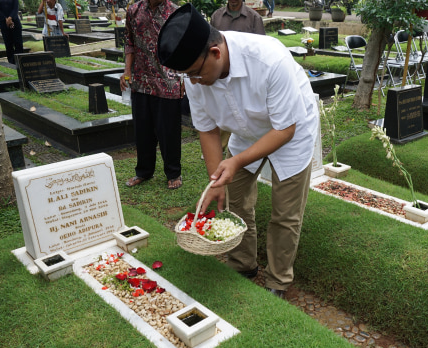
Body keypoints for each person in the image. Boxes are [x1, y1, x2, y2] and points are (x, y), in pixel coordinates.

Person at [157, 4, 319, 299]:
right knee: (234, 201)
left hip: (291, 129)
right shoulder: (195, 72)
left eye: (195, 73)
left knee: (286, 213)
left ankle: (278, 281)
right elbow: (207, 129)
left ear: (216, 53)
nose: (193, 81)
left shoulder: (269, 59)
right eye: (187, 76)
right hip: (246, 132)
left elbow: (285, 130)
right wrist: (217, 177)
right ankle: (243, 264)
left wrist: (236, 161)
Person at [121, 0, 183, 190]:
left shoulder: (175, 12)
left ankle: (173, 173)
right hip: (141, 81)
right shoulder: (134, 10)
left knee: (168, 132)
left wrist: (183, 78)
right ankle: (143, 171)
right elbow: (129, 42)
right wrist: (127, 71)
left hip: (168, 82)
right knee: (143, 130)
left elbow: (182, 46)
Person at [210, 0, 265, 151]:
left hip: (245, 73)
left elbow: (261, 46)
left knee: (242, 109)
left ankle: (243, 143)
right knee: (222, 108)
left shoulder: (253, 18)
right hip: (222, 72)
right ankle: (220, 146)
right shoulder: (217, 16)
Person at [0, 0, 24, 64]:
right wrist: (5, 19)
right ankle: (11, 62)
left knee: (18, 43)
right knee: (8, 44)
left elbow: (15, 7)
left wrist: (10, 18)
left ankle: (20, 61)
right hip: (3, 23)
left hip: (15, 21)